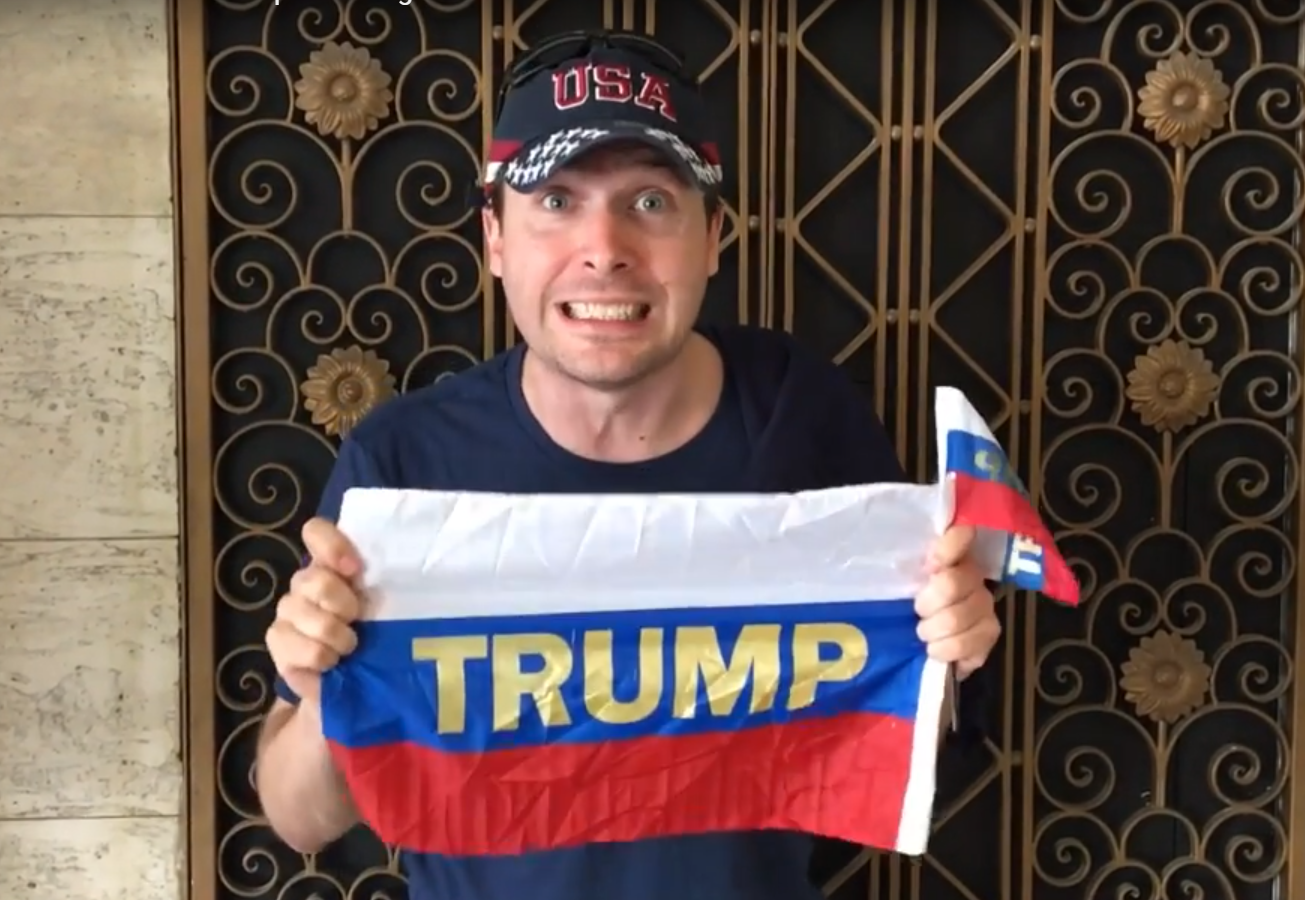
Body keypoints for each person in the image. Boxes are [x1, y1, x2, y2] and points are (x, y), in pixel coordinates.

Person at [256, 29, 1002, 900]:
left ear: (714, 234)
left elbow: (920, 754)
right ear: (495, 236)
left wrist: (951, 659)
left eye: (650, 202)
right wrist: (319, 692)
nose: (604, 247)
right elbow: (300, 817)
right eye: (558, 201)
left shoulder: (808, 420)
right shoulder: (403, 462)